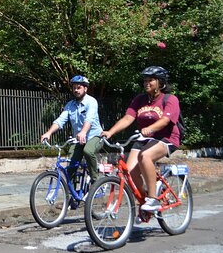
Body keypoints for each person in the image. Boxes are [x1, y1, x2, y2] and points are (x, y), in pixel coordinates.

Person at [100, 66, 181, 212]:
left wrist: (150, 128)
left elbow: (165, 121)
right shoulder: (140, 100)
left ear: (160, 82)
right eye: (145, 80)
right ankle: (145, 200)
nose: (146, 83)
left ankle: (153, 199)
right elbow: (128, 118)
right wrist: (110, 132)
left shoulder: (170, 99)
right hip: (144, 138)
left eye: (151, 80)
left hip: (166, 138)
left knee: (145, 156)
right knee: (130, 172)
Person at [41, 75, 104, 185]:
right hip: (79, 139)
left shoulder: (91, 102)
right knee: (70, 166)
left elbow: (89, 119)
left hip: (95, 136)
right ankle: (71, 198)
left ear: (85, 88)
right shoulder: (70, 105)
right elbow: (60, 120)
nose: (76, 90)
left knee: (88, 151)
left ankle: (95, 181)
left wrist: (83, 132)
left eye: (78, 87)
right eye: (74, 88)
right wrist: (49, 132)